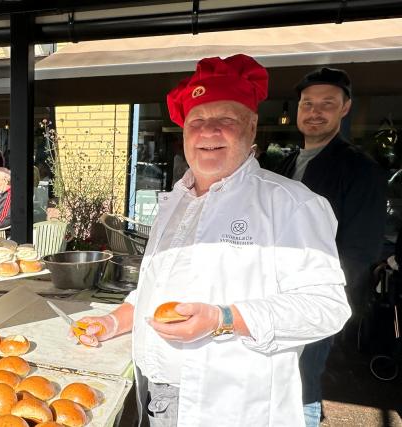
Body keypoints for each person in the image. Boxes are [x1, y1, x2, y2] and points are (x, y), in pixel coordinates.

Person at [71, 54, 351, 426]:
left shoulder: (292, 204)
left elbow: (326, 307)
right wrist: (112, 322)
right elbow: (156, 292)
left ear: (251, 128)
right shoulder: (175, 202)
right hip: (157, 396)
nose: (208, 131)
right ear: (184, 132)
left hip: (230, 407)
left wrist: (223, 318)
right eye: (197, 120)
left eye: (226, 120)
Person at [271, 67, 387, 426]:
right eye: (308, 104)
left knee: (304, 380)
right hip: (271, 294)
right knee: (273, 374)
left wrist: (328, 303)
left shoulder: (359, 169)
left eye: (327, 103)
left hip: (313, 299)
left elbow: (361, 250)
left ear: (345, 108)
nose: (315, 112)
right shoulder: (284, 162)